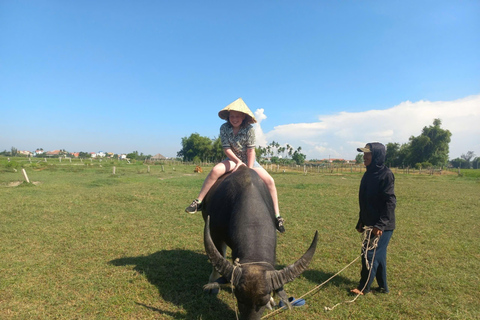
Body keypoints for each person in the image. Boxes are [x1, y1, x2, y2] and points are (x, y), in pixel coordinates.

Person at [185, 98, 285, 233]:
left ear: (243, 117)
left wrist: (248, 170)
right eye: (232, 116)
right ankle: (199, 201)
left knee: (270, 181)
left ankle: (277, 216)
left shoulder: (249, 129)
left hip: (250, 160)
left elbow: (251, 150)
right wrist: (238, 162)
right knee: (215, 170)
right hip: (233, 159)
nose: (235, 119)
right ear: (228, 117)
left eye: (238, 116)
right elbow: (226, 148)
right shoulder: (224, 128)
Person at [351, 142, 396, 295]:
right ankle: (383, 287)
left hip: (383, 225)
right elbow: (365, 201)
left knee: (369, 254)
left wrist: (381, 225)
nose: (364, 157)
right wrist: (361, 221)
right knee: (379, 256)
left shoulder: (386, 174)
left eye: (367, 154)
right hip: (369, 223)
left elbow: (390, 201)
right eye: (364, 154)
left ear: (376, 156)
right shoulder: (368, 174)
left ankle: (364, 287)